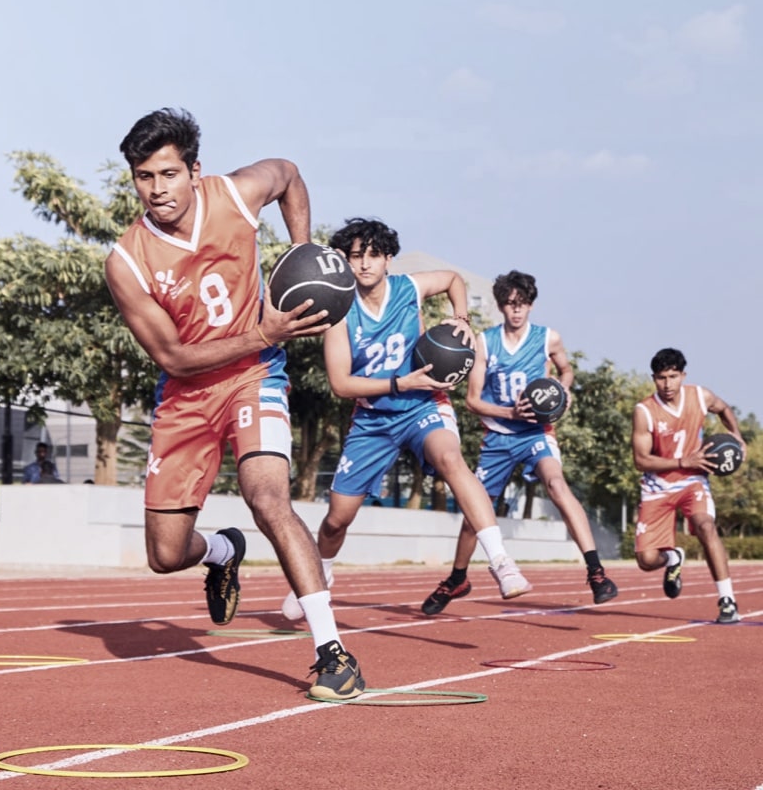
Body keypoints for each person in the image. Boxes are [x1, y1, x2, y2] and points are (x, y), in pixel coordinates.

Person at [104, 107, 363, 701]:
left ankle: (332, 652)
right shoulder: (127, 261)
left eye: (168, 174)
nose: (158, 189)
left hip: (254, 377)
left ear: (195, 169)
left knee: (268, 498)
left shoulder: (237, 194)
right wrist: (266, 332)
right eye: (145, 177)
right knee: (165, 556)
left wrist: (305, 253)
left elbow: (290, 174)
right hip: (187, 395)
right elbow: (171, 357)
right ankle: (223, 551)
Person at [279, 218, 533, 622]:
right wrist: (399, 382)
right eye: (355, 256)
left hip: (423, 405)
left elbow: (452, 280)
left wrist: (461, 318)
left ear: (387, 259)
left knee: (452, 461)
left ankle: (502, 561)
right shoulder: (340, 312)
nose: (364, 264)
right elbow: (342, 384)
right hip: (374, 420)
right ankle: (321, 573)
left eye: (372, 256)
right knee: (336, 520)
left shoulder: (409, 288)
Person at [420, 271, 617, 615]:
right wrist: (510, 412)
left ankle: (596, 572)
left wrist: (564, 391)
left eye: (522, 304)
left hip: (537, 433)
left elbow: (566, 370)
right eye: (510, 304)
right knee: (474, 511)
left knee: (556, 483)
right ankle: (457, 578)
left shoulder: (547, 338)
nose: (516, 311)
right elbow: (473, 401)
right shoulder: (485, 342)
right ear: (500, 306)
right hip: (498, 436)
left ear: (531, 305)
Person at [631, 348, 745, 624]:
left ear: (683, 375)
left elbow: (724, 408)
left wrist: (737, 437)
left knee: (706, 526)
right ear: (654, 378)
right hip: (658, 487)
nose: (667, 384)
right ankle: (672, 557)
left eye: (673, 376)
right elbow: (641, 461)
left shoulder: (699, 396)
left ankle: (727, 600)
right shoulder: (645, 411)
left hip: (693, 481)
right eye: (661, 378)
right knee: (646, 560)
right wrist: (683, 459)